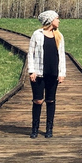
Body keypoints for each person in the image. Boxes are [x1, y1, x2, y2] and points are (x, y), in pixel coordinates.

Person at [29, 10, 66, 138]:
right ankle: (35, 128)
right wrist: (31, 71)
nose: (59, 21)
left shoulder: (59, 36)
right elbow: (31, 54)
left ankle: (49, 128)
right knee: (38, 100)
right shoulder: (37, 34)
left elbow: (61, 56)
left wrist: (62, 73)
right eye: (57, 18)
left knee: (51, 100)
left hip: (53, 74)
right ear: (50, 21)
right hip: (39, 74)